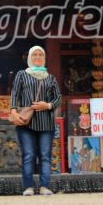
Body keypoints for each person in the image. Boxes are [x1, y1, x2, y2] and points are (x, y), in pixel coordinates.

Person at [9, 45, 61, 196]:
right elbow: (15, 93)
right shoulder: (21, 75)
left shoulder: (50, 78)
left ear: (44, 58)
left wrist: (48, 105)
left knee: (45, 156)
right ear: (30, 58)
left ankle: (45, 186)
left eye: (41, 55)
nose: (38, 57)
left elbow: (58, 97)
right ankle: (28, 187)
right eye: (35, 55)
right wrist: (13, 111)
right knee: (28, 155)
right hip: (26, 122)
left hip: (46, 123)